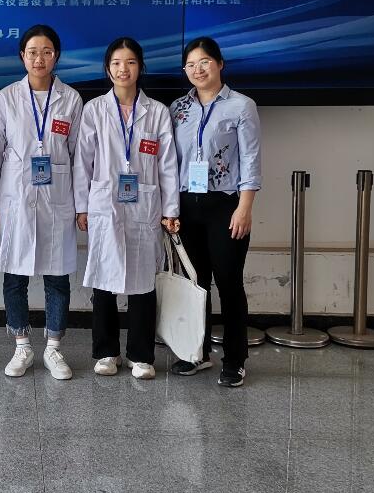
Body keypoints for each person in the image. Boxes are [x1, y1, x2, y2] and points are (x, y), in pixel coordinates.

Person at [74, 37, 180, 380]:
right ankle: (106, 352)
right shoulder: (94, 110)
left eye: (131, 62)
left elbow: (168, 166)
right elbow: (82, 163)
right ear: (108, 69)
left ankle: (141, 354)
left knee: (143, 281)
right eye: (117, 63)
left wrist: (171, 209)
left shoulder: (157, 112)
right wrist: (82, 206)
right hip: (105, 203)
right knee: (104, 277)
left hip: (144, 205)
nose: (124, 69)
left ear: (140, 67)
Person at [0, 25, 83, 380]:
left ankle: (54, 347)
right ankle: (22, 345)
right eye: (32, 52)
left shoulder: (71, 99)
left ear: (56, 56)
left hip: (57, 200)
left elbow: (79, 158)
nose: (39, 59)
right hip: (16, 200)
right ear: (22, 56)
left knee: (57, 278)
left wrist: (82, 206)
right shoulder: (6, 98)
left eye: (46, 52)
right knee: (15, 277)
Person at [168, 36, 261, 388]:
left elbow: (250, 159)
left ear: (220, 64)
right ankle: (197, 352)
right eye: (191, 64)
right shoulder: (178, 108)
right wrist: (169, 208)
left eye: (204, 62)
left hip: (225, 206)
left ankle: (235, 360)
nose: (198, 69)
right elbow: (169, 162)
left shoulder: (241, 106)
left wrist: (245, 207)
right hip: (186, 205)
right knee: (195, 285)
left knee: (228, 283)